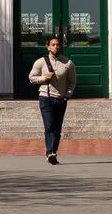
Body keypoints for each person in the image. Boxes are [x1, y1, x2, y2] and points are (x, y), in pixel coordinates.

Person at [30, 33, 77, 164]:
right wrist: (44, 78)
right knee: (49, 126)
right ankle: (50, 152)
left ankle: (53, 151)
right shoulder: (40, 62)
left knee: (57, 128)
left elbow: (72, 82)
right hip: (45, 97)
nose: (56, 47)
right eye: (53, 45)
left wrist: (67, 94)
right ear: (48, 47)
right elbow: (31, 78)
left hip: (61, 99)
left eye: (58, 45)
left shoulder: (68, 63)